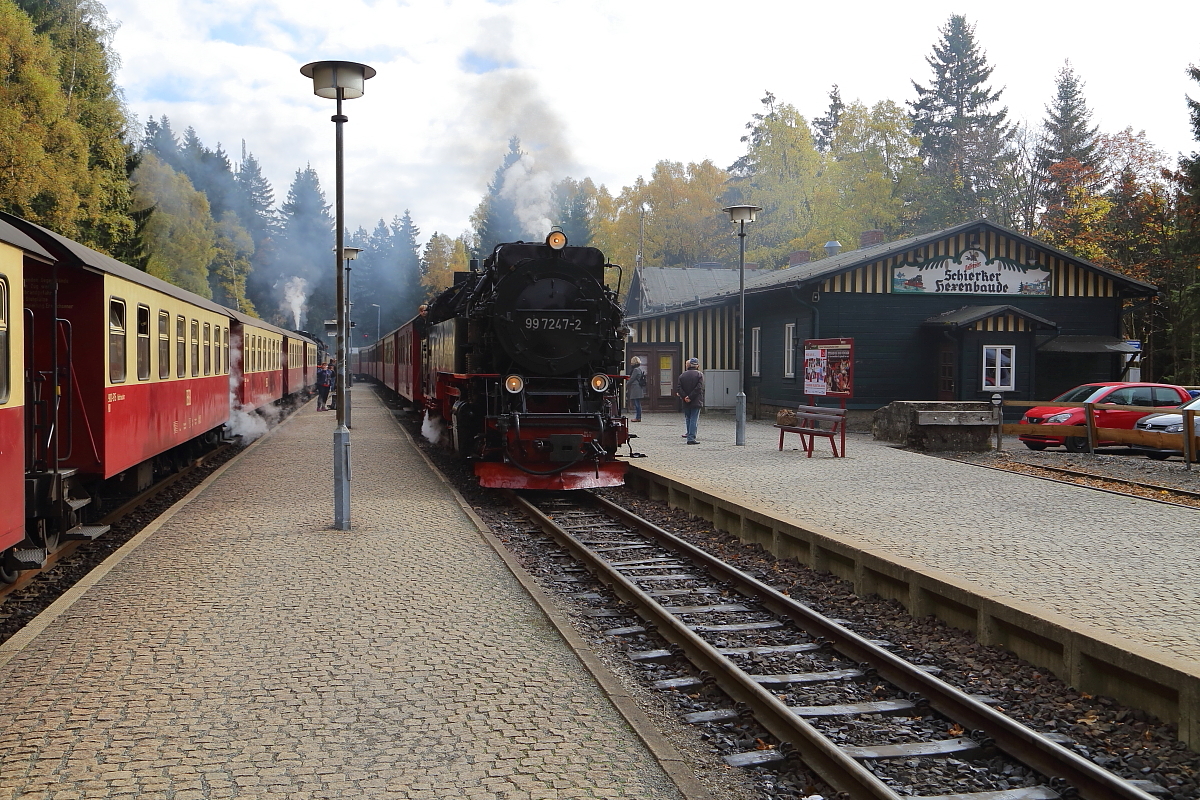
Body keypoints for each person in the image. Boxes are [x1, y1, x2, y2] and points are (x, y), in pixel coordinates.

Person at [676, 357, 704, 444]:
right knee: (694, 419)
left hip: (685, 401)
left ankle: (689, 434)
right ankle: (691, 438)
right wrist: (690, 397)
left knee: (688, 418)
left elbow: (679, 388)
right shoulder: (699, 375)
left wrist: (685, 397)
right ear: (697, 365)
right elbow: (699, 388)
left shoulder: (682, 375)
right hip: (696, 400)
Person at [627, 356, 647, 422]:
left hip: (636, 388)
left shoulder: (635, 370)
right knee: (637, 403)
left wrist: (627, 383)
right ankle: (638, 417)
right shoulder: (639, 369)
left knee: (637, 403)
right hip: (638, 388)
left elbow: (632, 378)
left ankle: (638, 417)